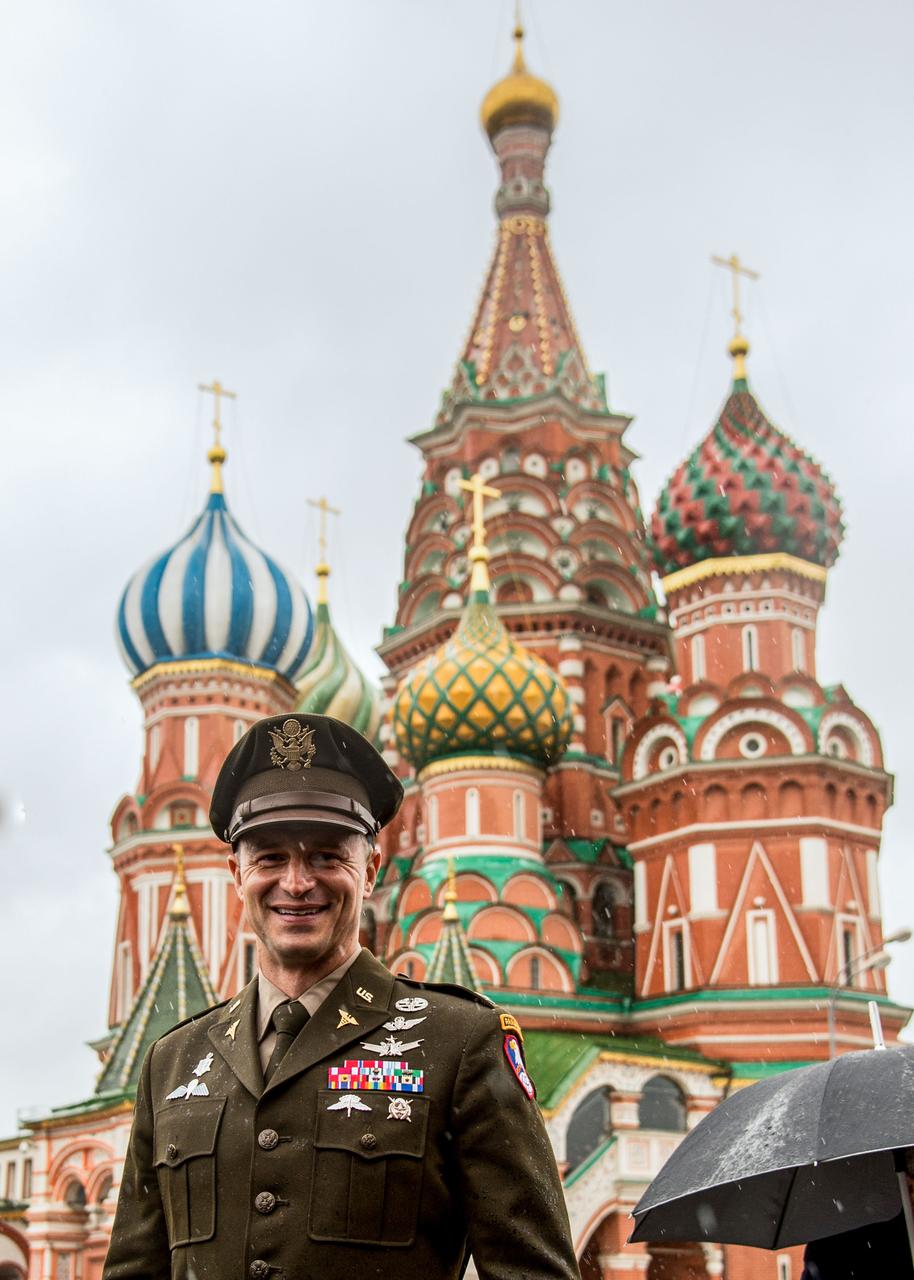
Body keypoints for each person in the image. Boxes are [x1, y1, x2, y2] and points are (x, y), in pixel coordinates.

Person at [103, 712, 581, 1280]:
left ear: (371, 869)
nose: (298, 882)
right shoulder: (174, 1062)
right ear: (236, 873)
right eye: (271, 857)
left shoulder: (459, 1044)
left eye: (327, 856)